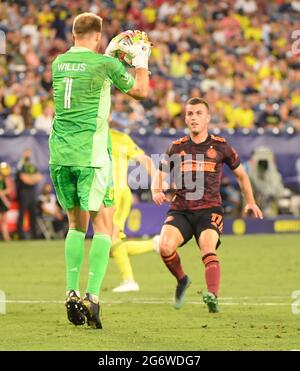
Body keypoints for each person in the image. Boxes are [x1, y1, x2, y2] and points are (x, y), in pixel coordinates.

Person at [49, 13, 151, 329]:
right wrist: (141, 61)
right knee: (104, 227)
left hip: (59, 155)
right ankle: (92, 296)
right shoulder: (103, 65)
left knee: (75, 226)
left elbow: (93, 80)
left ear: (74, 34)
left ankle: (70, 291)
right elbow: (141, 92)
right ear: (97, 36)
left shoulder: (58, 63)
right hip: (90, 157)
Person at [151, 97, 263, 313]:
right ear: (185, 118)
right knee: (164, 247)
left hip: (209, 210)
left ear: (208, 118)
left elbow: (241, 175)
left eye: (198, 113)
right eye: (190, 114)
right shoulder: (176, 147)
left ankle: (212, 295)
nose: (193, 118)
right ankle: (182, 279)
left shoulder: (220, 146)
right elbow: (160, 173)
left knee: (207, 248)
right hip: (181, 209)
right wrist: (157, 190)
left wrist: (250, 201)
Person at [109, 128, 158, 293]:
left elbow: (144, 159)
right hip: (122, 193)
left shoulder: (94, 135)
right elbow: (144, 159)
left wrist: (156, 182)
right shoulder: (122, 138)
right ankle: (154, 244)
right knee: (110, 248)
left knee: (111, 239)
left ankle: (129, 280)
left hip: (112, 195)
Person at [16, 149, 43, 240]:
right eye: (26, 153)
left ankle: (34, 234)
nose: (28, 154)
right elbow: (24, 179)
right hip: (24, 192)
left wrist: (30, 178)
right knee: (22, 214)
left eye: (29, 153)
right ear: (23, 154)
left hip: (32, 192)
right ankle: (21, 234)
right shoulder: (21, 165)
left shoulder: (32, 166)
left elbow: (39, 176)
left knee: (33, 213)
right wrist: (32, 178)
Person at [0, 162, 13, 241]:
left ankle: (6, 238)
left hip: (3, 202)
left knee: (4, 221)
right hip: (2, 200)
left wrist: (2, 193)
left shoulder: (6, 179)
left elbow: (9, 189)